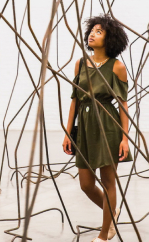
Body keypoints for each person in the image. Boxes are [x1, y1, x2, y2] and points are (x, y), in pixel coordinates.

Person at [62, 14, 133, 242]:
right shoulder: (81, 63)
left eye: (99, 31)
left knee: (108, 181)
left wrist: (125, 138)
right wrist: (68, 131)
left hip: (107, 125)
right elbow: (75, 98)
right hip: (83, 125)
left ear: (110, 38)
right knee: (85, 184)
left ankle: (104, 234)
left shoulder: (117, 67)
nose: (92, 33)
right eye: (92, 29)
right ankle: (111, 211)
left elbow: (123, 105)